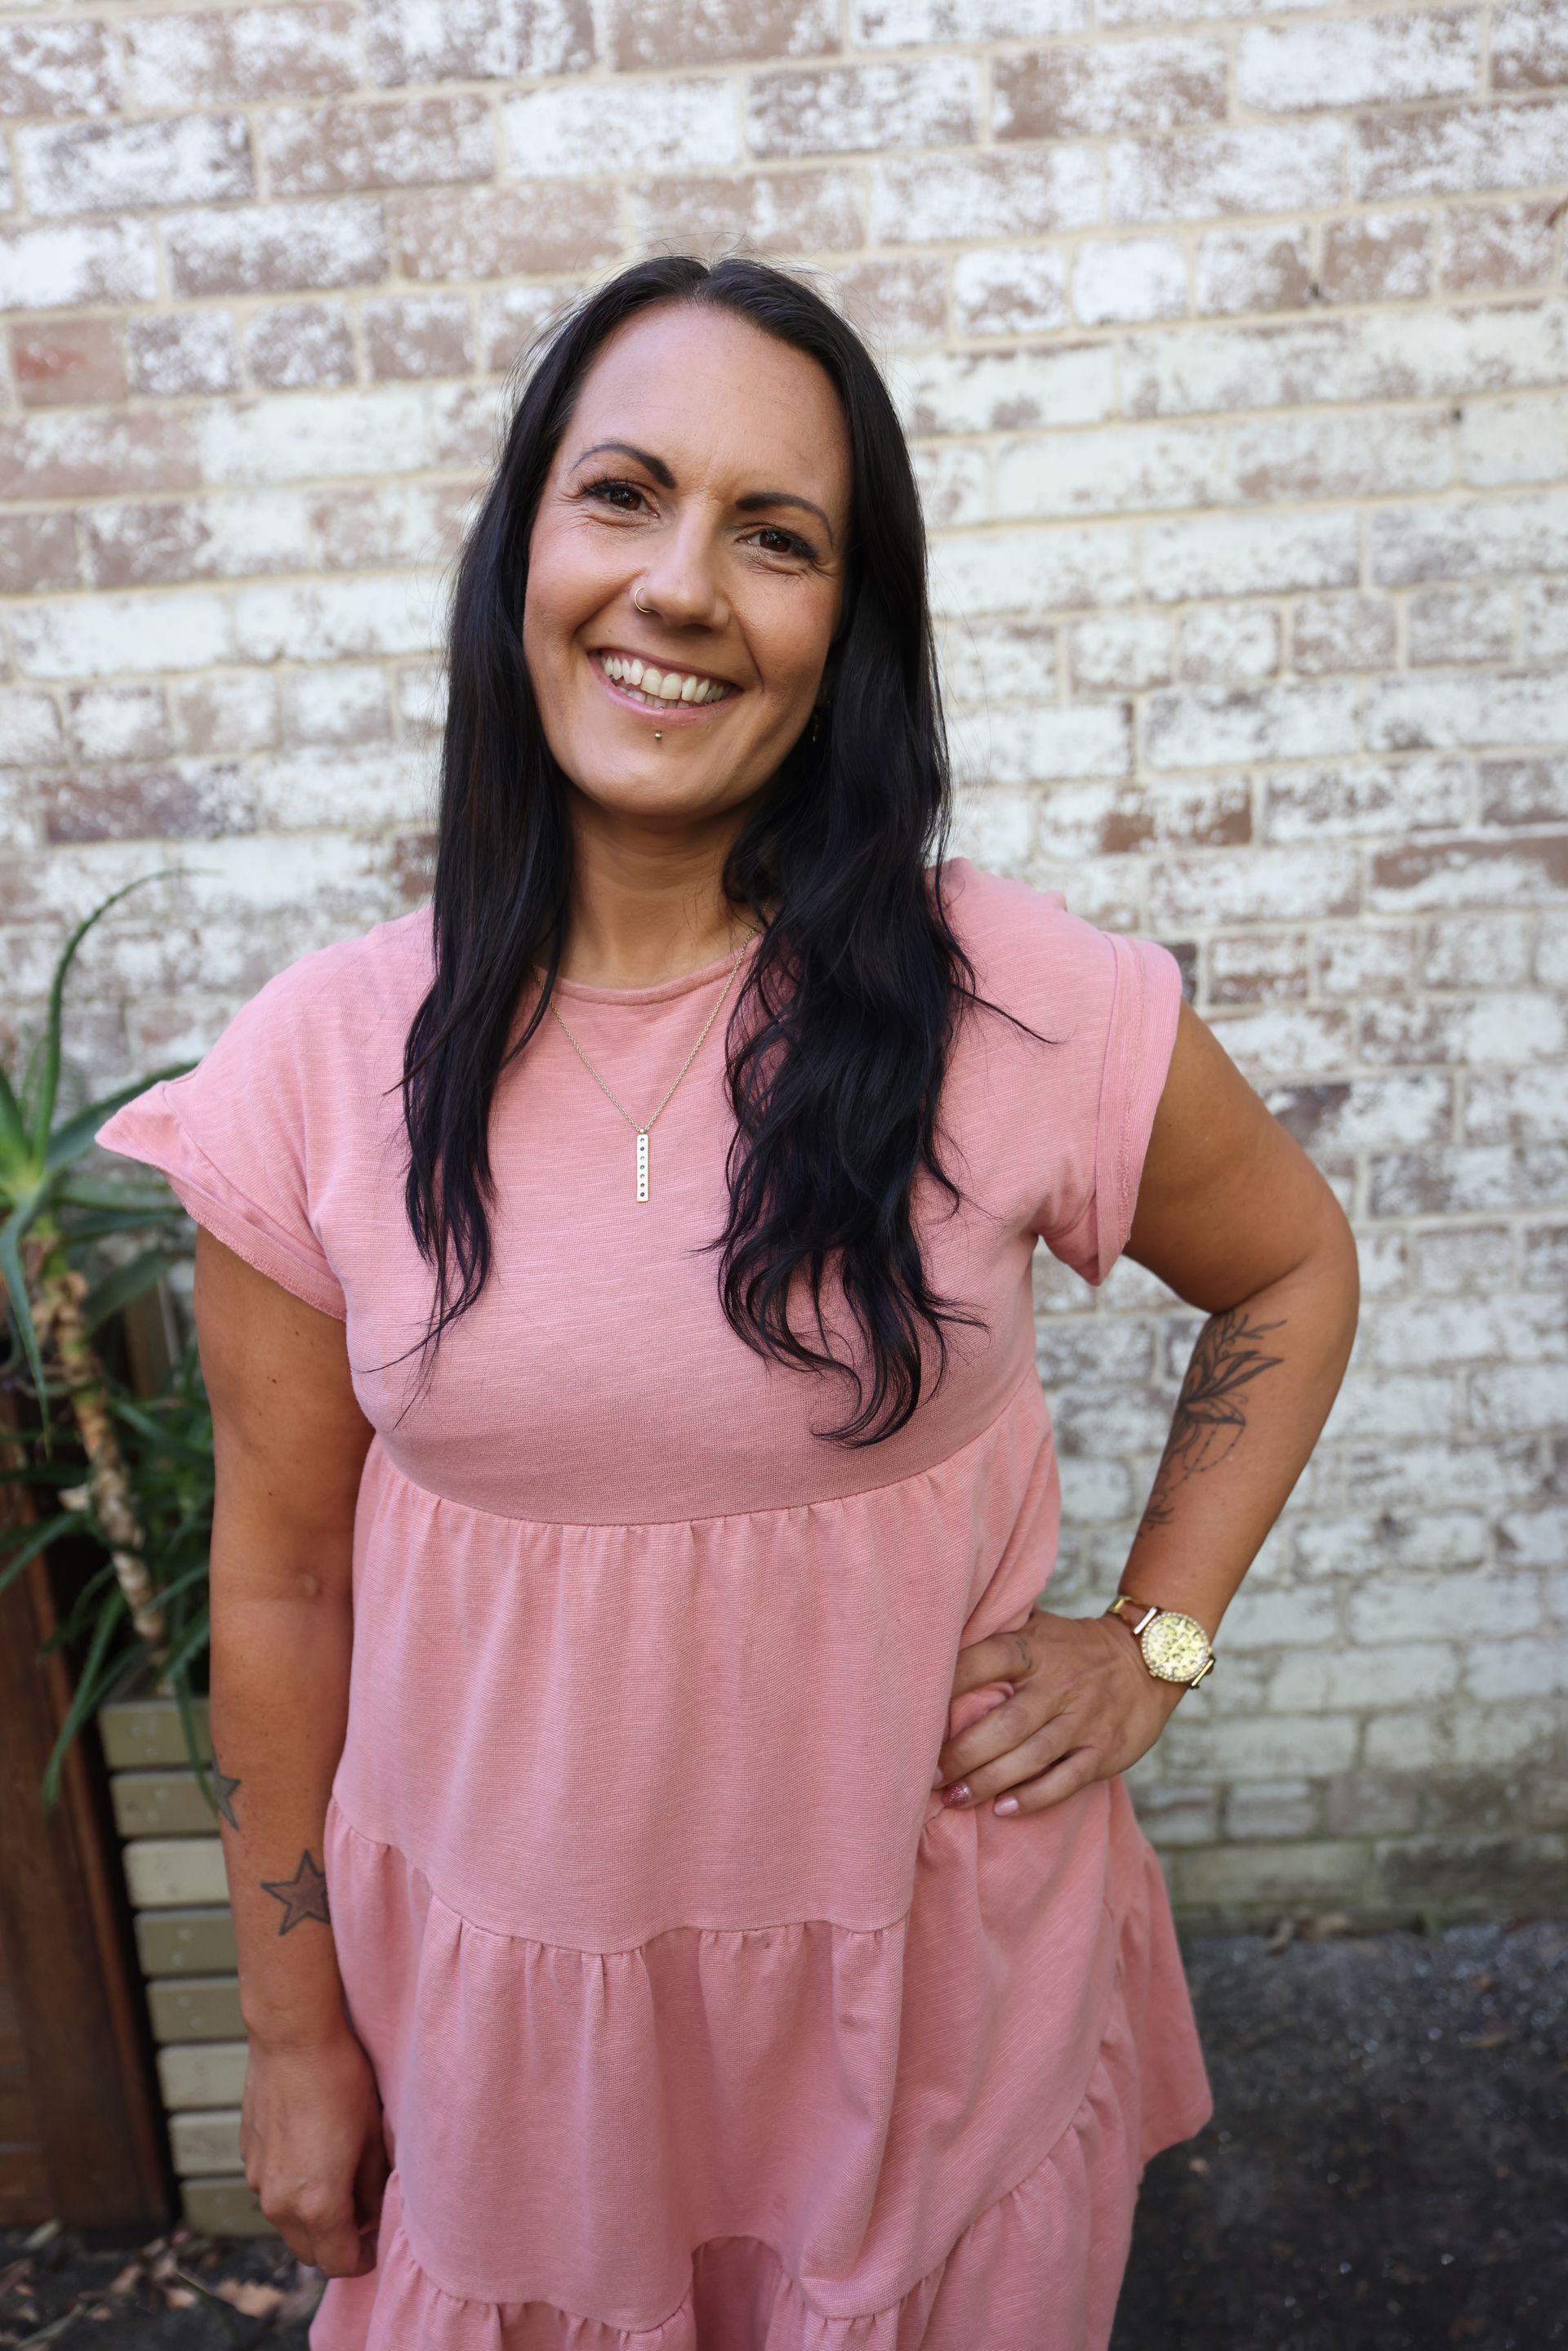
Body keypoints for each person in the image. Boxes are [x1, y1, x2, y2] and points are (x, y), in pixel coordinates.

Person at [97, 255, 1359, 2351]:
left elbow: (1292, 1269)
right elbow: (286, 1587)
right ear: (523, 550)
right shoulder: (316, 1068)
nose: (680, 588)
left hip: (926, 2019)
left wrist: (1158, 1637)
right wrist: (296, 2031)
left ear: (846, 631)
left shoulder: (1014, 1004)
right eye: (624, 496)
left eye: (776, 538)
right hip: (516, 2057)